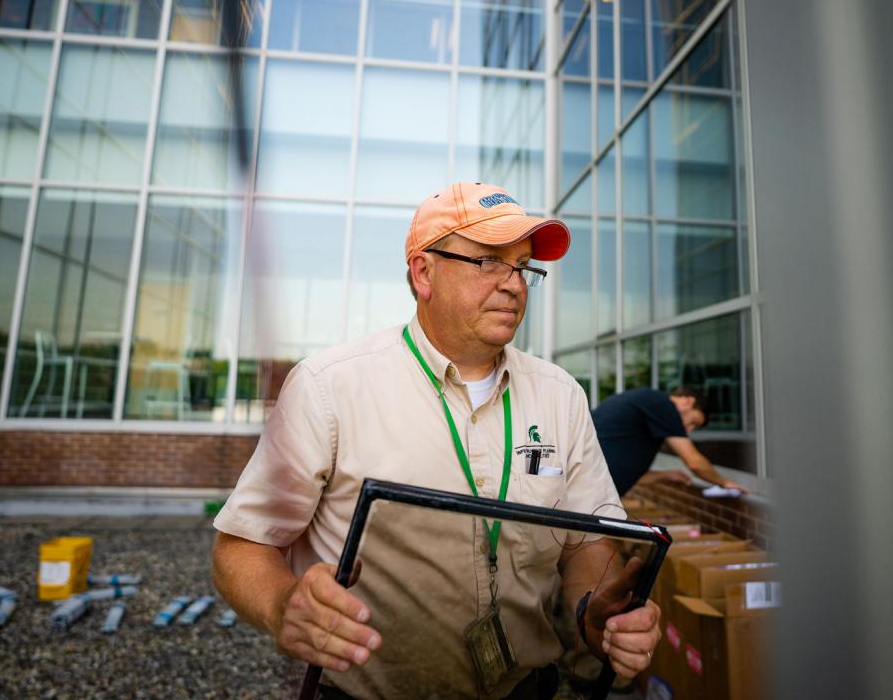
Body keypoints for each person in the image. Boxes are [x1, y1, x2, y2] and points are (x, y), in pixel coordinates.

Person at [211, 181, 661, 700]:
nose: (514, 285)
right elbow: (241, 546)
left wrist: (598, 613)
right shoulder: (329, 386)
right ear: (424, 273)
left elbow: (586, 541)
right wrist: (283, 603)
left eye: (523, 267)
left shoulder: (561, 395)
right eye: (490, 261)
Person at [592, 387, 750, 496]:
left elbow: (622, 472)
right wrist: (724, 482)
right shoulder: (664, 406)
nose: (688, 430)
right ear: (688, 401)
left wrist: (663, 475)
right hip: (591, 495)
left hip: (589, 491)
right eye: (693, 421)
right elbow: (694, 462)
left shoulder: (650, 407)